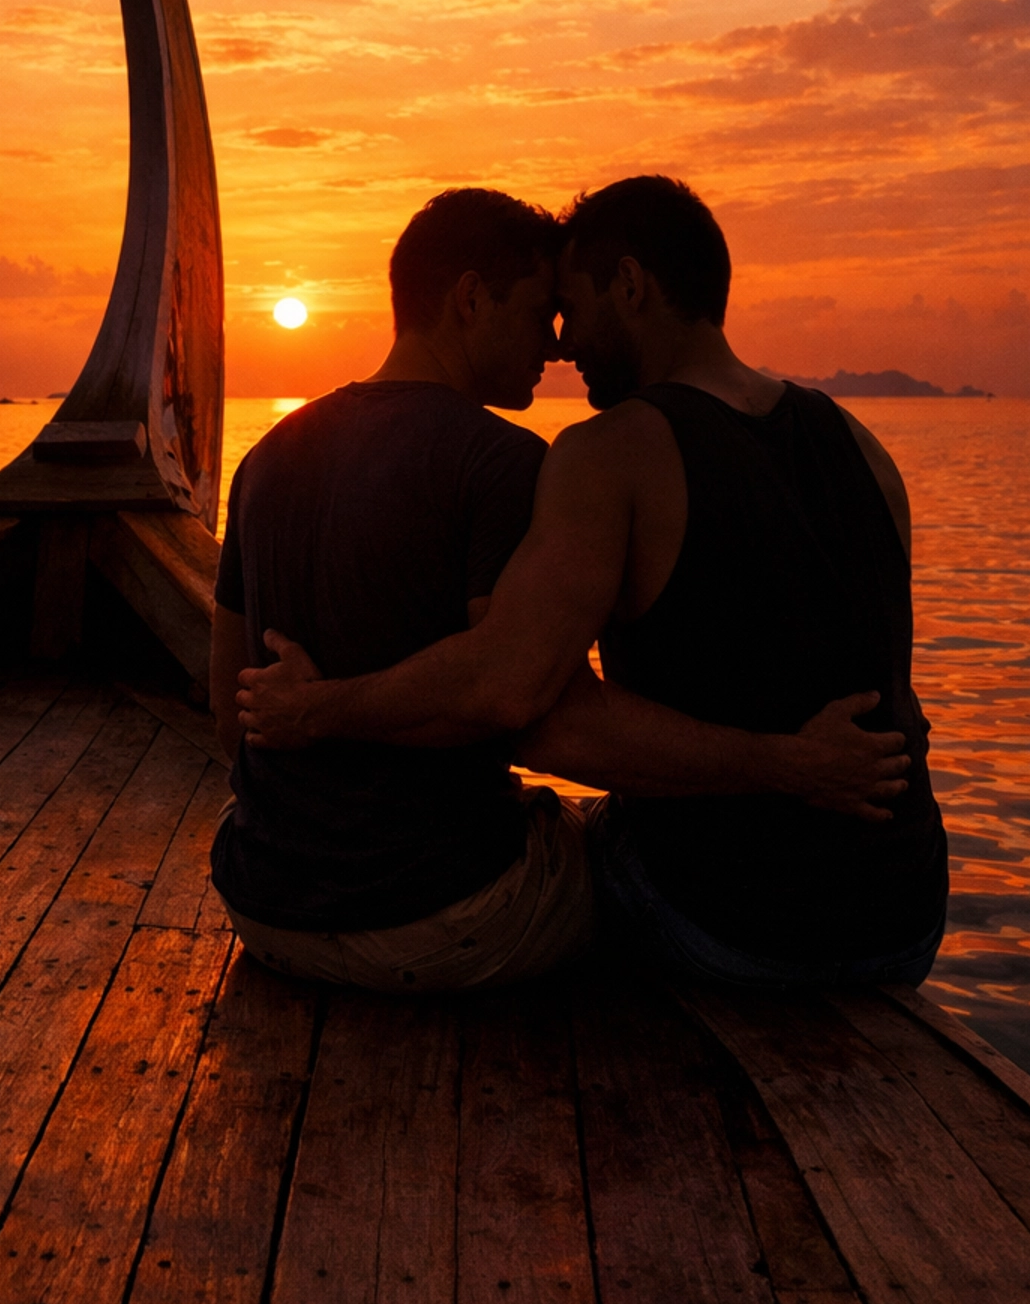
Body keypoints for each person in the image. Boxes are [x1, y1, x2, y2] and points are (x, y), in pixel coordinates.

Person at [215, 184, 915, 993]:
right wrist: (797, 764)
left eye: (569, 310)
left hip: (267, 899)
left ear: (630, 286)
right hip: (900, 913)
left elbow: (523, 710)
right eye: (547, 313)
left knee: (591, 826)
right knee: (572, 830)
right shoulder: (865, 449)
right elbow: (893, 699)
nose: (559, 344)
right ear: (471, 299)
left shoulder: (267, 458)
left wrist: (315, 710)